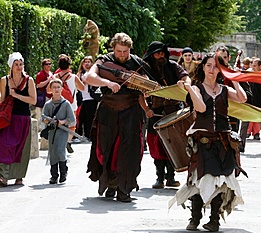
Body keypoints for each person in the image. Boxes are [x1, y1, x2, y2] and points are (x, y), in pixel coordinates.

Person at [169, 53, 246, 232]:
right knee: (199, 180)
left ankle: (214, 220)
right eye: (209, 65)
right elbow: (201, 108)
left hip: (223, 141)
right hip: (203, 141)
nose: (212, 70)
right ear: (203, 67)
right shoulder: (196, 88)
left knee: (221, 181)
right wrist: (188, 89)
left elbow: (242, 98)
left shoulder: (224, 89)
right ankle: (195, 218)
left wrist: (233, 77)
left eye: (216, 66)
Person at [85, 33, 152, 202]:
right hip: (108, 111)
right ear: (113, 48)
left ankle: (125, 189)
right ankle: (111, 181)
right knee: (106, 149)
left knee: (130, 152)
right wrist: (107, 83)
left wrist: (146, 92)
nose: (122, 54)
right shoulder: (104, 60)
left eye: (125, 51)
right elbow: (89, 77)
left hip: (131, 112)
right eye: (119, 51)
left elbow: (144, 92)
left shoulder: (137, 63)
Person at [143, 41, 191, 189]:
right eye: (157, 53)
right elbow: (139, 92)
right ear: (152, 55)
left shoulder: (173, 66)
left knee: (173, 145)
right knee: (156, 147)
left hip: (173, 112)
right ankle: (160, 177)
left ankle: (171, 177)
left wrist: (185, 84)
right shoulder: (146, 70)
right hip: (155, 113)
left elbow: (185, 77)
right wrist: (146, 109)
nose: (160, 56)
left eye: (162, 53)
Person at [0, 52, 36, 186]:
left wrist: (17, 95)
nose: (19, 67)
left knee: (21, 148)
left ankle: (19, 176)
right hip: (8, 118)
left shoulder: (29, 80)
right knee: (4, 144)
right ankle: (3, 176)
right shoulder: (4, 80)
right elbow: (3, 100)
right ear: (11, 66)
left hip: (23, 117)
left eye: (21, 64)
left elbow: (33, 100)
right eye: (16, 64)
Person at [41, 78, 76, 184]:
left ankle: (63, 172)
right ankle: (54, 175)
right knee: (52, 152)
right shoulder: (48, 104)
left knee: (61, 150)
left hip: (62, 131)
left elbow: (72, 119)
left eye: (58, 87)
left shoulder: (66, 104)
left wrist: (62, 121)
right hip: (52, 131)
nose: (56, 89)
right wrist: (47, 120)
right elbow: (43, 118)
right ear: (50, 89)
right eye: (54, 87)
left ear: (61, 88)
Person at [240, 58, 261, 154]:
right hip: (249, 105)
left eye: (254, 66)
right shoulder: (249, 76)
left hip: (260, 106)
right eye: (252, 65)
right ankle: (241, 145)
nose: (252, 67)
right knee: (244, 126)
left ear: (260, 66)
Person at [54, 54, 84, 153]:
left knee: (59, 124)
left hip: (58, 104)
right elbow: (82, 88)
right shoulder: (73, 77)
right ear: (69, 65)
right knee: (72, 125)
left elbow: (48, 90)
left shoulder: (55, 77)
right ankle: (67, 141)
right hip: (72, 105)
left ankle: (60, 142)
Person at [216, 46, 239, 132]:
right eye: (220, 57)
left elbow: (248, 96)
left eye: (225, 57)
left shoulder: (234, 74)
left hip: (231, 115)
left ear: (229, 58)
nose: (222, 60)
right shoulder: (209, 73)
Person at [76, 56, 97, 140]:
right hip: (83, 98)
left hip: (91, 98)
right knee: (82, 118)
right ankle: (83, 134)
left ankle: (89, 135)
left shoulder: (94, 73)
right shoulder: (80, 74)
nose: (87, 64)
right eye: (85, 62)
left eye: (89, 62)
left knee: (90, 118)